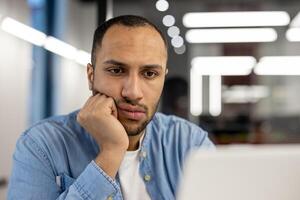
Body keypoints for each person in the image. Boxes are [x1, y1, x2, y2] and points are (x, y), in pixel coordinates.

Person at [8, 15, 214, 200]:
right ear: (91, 76)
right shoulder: (41, 146)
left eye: (149, 74)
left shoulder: (189, 143)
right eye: (116, 70)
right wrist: (111, 152)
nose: (133, 92)